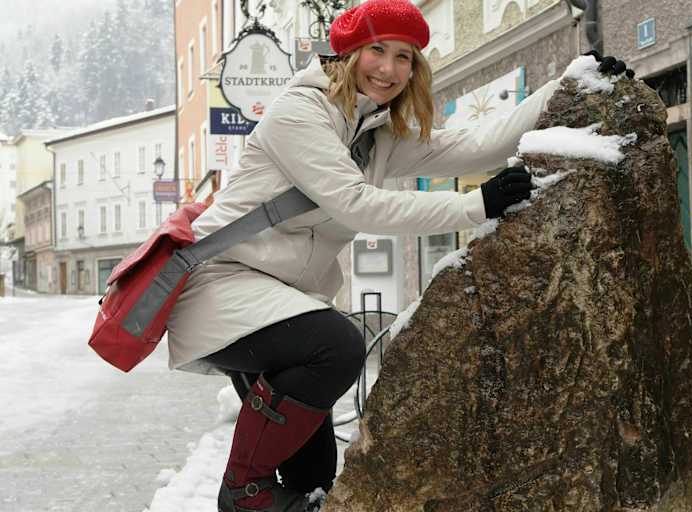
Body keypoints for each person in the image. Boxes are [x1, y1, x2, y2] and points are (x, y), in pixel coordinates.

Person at [166, 1, 633, 511]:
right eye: (378, 51)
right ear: (347, 53)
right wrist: (475, 205)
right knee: (339, 347)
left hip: (276, 303)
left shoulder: (372, 135)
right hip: (220, 286)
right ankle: (242, 489)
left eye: (405, 57)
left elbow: (474, 143)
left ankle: (274, 494)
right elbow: (355, 203)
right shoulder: (300, 113)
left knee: (313, 474)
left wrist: (565, 83)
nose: (389, 69)